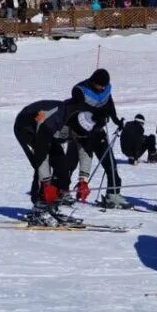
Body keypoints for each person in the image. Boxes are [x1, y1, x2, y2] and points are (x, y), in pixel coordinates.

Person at [14, 99, 93, 226]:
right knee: (39, 167)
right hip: (27, 127)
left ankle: (51, 207)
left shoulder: (84, 125)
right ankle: (40, 210)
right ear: (73, 126)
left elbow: (85, 151)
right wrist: (46, 184)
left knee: (62, 169)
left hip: (49, 134)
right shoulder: (53, 121)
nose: (78, 139)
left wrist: (83, 180)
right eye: (77, 135)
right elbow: (41, 154)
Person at [69, 68, 129, 208]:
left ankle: (112, 195)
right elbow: (80, 108)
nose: (102, 89)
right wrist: (98, 114)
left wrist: (115, 120)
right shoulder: (80, 90)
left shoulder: (105, 89)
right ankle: (62, 191)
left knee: (111, 165)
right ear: (93, 81)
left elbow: (109, 103)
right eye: (100, 85)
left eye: (104, 86)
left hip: (99, 132)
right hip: (81, 134)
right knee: (71, 164)